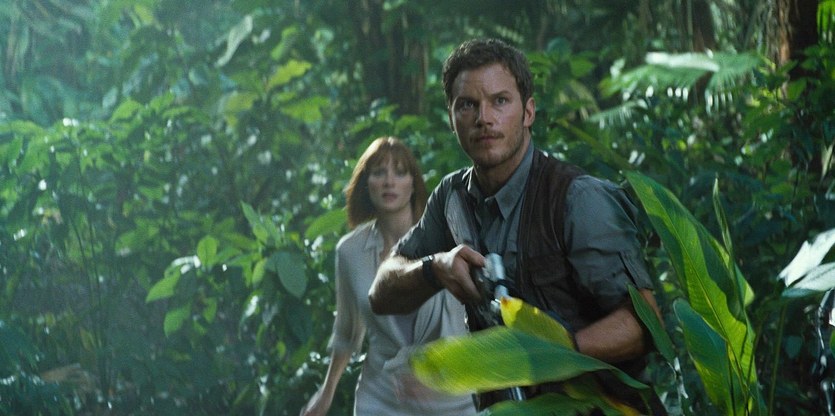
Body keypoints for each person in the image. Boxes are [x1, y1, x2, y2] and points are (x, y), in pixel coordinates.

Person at [368, 39, 666, 413]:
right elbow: (381, 293)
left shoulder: (577, 198)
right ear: (452, 118)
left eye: (500, 101)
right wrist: (434, 268)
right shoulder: (452, 198)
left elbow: (644, 324)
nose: (484, 118)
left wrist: (546, 356)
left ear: (528, 112)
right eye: (467, 105)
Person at [300, 137, 476, 416]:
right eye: (379, 172)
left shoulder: (447, 239)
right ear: (365, 183)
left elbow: (473, 323)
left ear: (414, 184)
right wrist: (326, 392)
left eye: (400, 172)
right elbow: (346, 331)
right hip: (381, 398)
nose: (389, 182)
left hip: (452, 398)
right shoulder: (349, 251)